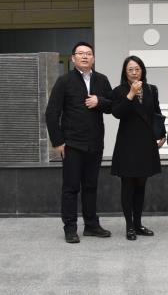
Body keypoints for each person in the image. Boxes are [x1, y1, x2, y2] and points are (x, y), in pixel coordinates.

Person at [44, 42, 115, 244]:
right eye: (80, 53)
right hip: (72, 144)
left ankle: (91, 225)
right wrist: (58, 142)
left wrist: (99, 101)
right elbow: (51, 113)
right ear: (73, 58)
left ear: (93, 58)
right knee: (71, 187)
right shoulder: (64, 81)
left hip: (95, 143)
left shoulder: (102, 80)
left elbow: (113, 106)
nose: (85, 56)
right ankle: (70, 228)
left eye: (88, 53)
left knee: (91, 186)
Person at [109, 55, 164, 241]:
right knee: (128, 185)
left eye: (137, 69)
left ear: (142, 71)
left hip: (146, 142)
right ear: (125, 73)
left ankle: (138, 223)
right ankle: (129, 226)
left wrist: (161, 134)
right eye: (130, 69)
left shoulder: (151, 89)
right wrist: (131, 94)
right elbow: (117, 113)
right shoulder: (119, 91)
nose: (134, 72)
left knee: (141, 185)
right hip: (127, 143)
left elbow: (156, 112)